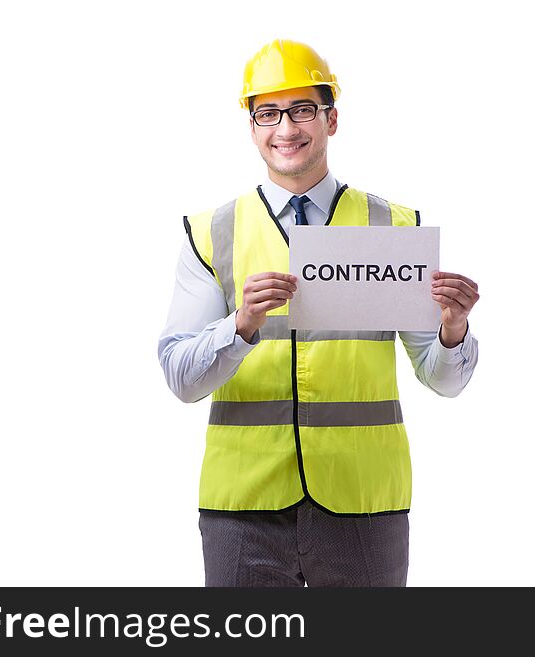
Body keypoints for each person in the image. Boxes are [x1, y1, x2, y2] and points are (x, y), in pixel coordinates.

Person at [158, 39, 479, 587]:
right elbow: (181, 380)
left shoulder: (394, 227)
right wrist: (238, 327)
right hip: (244, 505)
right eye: (268, 113)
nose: (285, 128)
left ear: (332, 119)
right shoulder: (211, 232)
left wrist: (453, 330)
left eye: (302, 109)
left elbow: (443, 380)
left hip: (364, 501)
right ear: (252, 125)